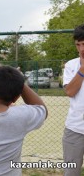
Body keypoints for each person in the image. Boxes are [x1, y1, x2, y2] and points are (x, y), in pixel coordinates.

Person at [62, 23, 84, 176]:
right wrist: (82, 69)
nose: (82, 49)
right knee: (71, 172)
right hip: (75, 129)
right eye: (78, 44)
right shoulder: (71, 65)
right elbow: (69, 91)